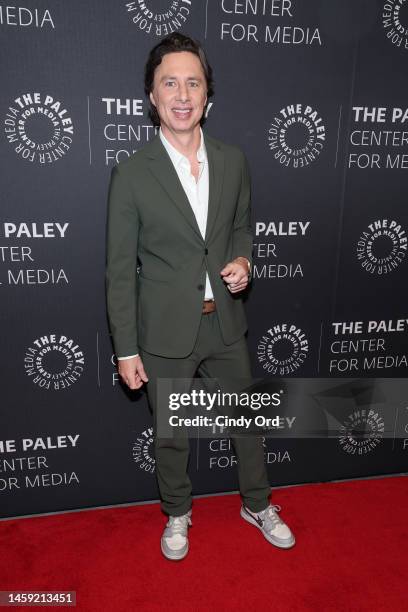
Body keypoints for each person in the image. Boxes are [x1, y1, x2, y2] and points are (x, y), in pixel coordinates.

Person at [105, 32, 295, 560]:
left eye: (194, 82)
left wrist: (244, 261)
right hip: (164, 331)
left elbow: (240, 229)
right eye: (171, 83)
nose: (183, 94)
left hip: (225, 323)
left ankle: (257, 503)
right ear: (152, 95)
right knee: (171, 436)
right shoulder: (131, 174)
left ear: (208, 94)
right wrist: (126, 348)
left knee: (247, 424)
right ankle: (178, 514)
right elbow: (120, 269)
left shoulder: (233, 161)